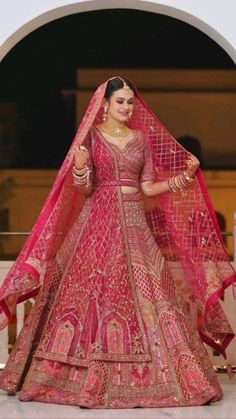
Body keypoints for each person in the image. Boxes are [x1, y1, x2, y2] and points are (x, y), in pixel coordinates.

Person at [0, 77, 235, 408]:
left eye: (130, 102)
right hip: (98, 223)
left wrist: (185, 176)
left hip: (136, 226)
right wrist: (80, 169)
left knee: (152, 292)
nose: (126, 107)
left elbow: (148, 188)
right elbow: (83, 189)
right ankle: (69, 376)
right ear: (104, 105)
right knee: (91, 292)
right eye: (120, 101)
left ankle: (169, 377)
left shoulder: (140, 140)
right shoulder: (92, 139)